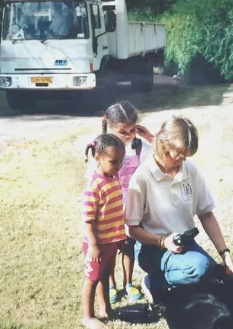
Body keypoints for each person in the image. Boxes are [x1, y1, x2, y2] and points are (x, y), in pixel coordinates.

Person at [124, 115, 233, 304]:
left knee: (214, 273)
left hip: (184, 243)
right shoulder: (142, 177)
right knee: (200, 269)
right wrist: (162, 242)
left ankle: (178, 282)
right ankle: (154, 282)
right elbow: (131, 229)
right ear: (162, 146)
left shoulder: (191, 170)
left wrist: (225, 253)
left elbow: (206, 213)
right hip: (152, 248)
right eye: (178, 155)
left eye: (186, 156)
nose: (182, 160)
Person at [85, 101, 154, 303]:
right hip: (108, 209)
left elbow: (159, 159)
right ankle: (112, 285)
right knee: (109, 250)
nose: (129, 135)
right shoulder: (100, 149)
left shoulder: (141, 147)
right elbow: (91, 181)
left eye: (132, 130)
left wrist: (150, 137)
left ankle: (128, 283)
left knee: (128, 246)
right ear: (109, 124)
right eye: (123, 131)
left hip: (132, 207)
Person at [81, 134, 126, 329]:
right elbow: (88, 221)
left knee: (105, 274)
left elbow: (115, 213)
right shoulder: (94, 186)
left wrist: (120, 238)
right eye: (113, 162)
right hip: (97, 244)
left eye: (121, 162)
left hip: (111, 241)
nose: (118, 166)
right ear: (98, 158)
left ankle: (105, 307)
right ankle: (88, 317)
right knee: (92, 279)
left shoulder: (113, 178)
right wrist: (93, 246)